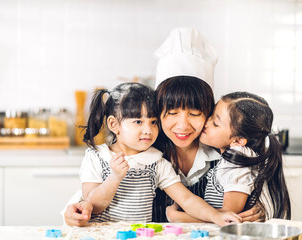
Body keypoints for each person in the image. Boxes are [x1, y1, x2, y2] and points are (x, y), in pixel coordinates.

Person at [63, 28, 264, 226]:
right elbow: (86, 201)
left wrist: (258, 213)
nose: (183, 125)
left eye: (194, 113)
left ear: (209, 112)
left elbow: (248, 203)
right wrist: (74, 212)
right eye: (172, 112)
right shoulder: (141, 148)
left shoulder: (225, 152)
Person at [80, 81, 240, 226]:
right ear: (114, 124)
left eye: (153, 122)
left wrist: (216, 216)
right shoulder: (96, 156)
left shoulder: (156, 161)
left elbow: (187, 199)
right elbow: (91, 205)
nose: (148, 130)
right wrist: (114, 177)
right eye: (138, 122)